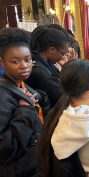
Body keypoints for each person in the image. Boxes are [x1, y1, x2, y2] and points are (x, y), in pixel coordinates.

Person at [0, 28, 45, 176]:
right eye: (16, 61)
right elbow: (6, 147)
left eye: (27, 59)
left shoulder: (21, 84)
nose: (24, 65)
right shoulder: (2, 94)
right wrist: (24, 110)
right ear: (2, 62)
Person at [26, 24, 70, 108]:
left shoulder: (48, 63)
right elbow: (62, 96)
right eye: (63, 53)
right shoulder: (39, 72)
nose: (63, 57)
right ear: (52, 50)